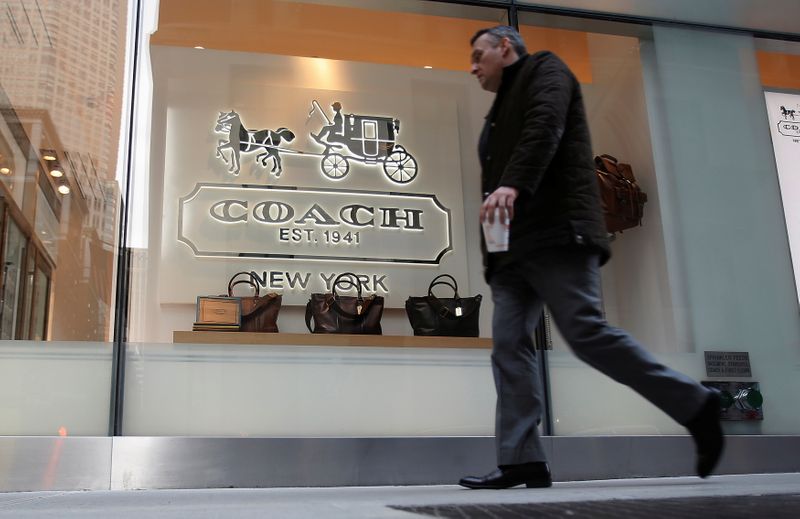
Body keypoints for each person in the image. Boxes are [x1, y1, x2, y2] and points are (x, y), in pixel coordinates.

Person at [459, 25, 724, 490]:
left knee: (585, 333)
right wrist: (493, 251)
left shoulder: (547, 70)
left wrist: (512, 184)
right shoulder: (496, 114)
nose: (473, 66)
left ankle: (695, 403)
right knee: (508, 349)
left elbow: (546, 127)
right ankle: (522, 460)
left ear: (506, 47)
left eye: (479, 55)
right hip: (511, 253)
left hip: (558, 233)